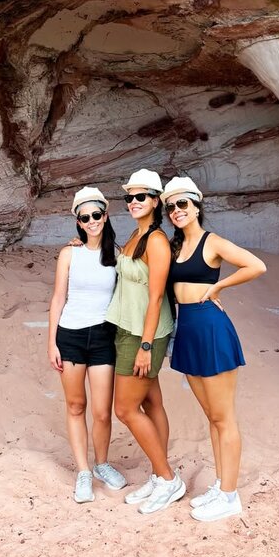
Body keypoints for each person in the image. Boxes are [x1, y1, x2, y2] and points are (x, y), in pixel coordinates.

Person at [162, 175, 266, 523]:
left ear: (196, 206)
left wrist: (220, 286)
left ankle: (230, 496)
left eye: (182, 204)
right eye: (171, 206)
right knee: (212, 416)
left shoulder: (213, 242)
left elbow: (256, 266)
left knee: (224, 417)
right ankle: (222, 485)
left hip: (210, 327)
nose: (176, 210)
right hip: (187, 329)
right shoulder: (175, 247)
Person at [105, 169, 185, 515]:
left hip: (143, 333)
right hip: (127, 327)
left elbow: (155, 298)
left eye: (141, 197)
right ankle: (158, 473)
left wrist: (146, 346)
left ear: (155, 201)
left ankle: (168, 479)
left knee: (125, 409)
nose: (134, 202)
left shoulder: (156, 241)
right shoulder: (136, 235)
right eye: (129, 197)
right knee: (152, 403)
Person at [47, 186, 127, 503]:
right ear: (78, 222)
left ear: (105, 216)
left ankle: (102, 464)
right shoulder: (69, 253)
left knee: (102, 411)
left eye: (97, 215)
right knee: (76, 406)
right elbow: (58, 298)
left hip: (104, 336)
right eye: (85, 217)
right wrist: (52, 343)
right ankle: (83, 471)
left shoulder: (117, 255)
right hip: (71, 335)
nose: (92, 221)